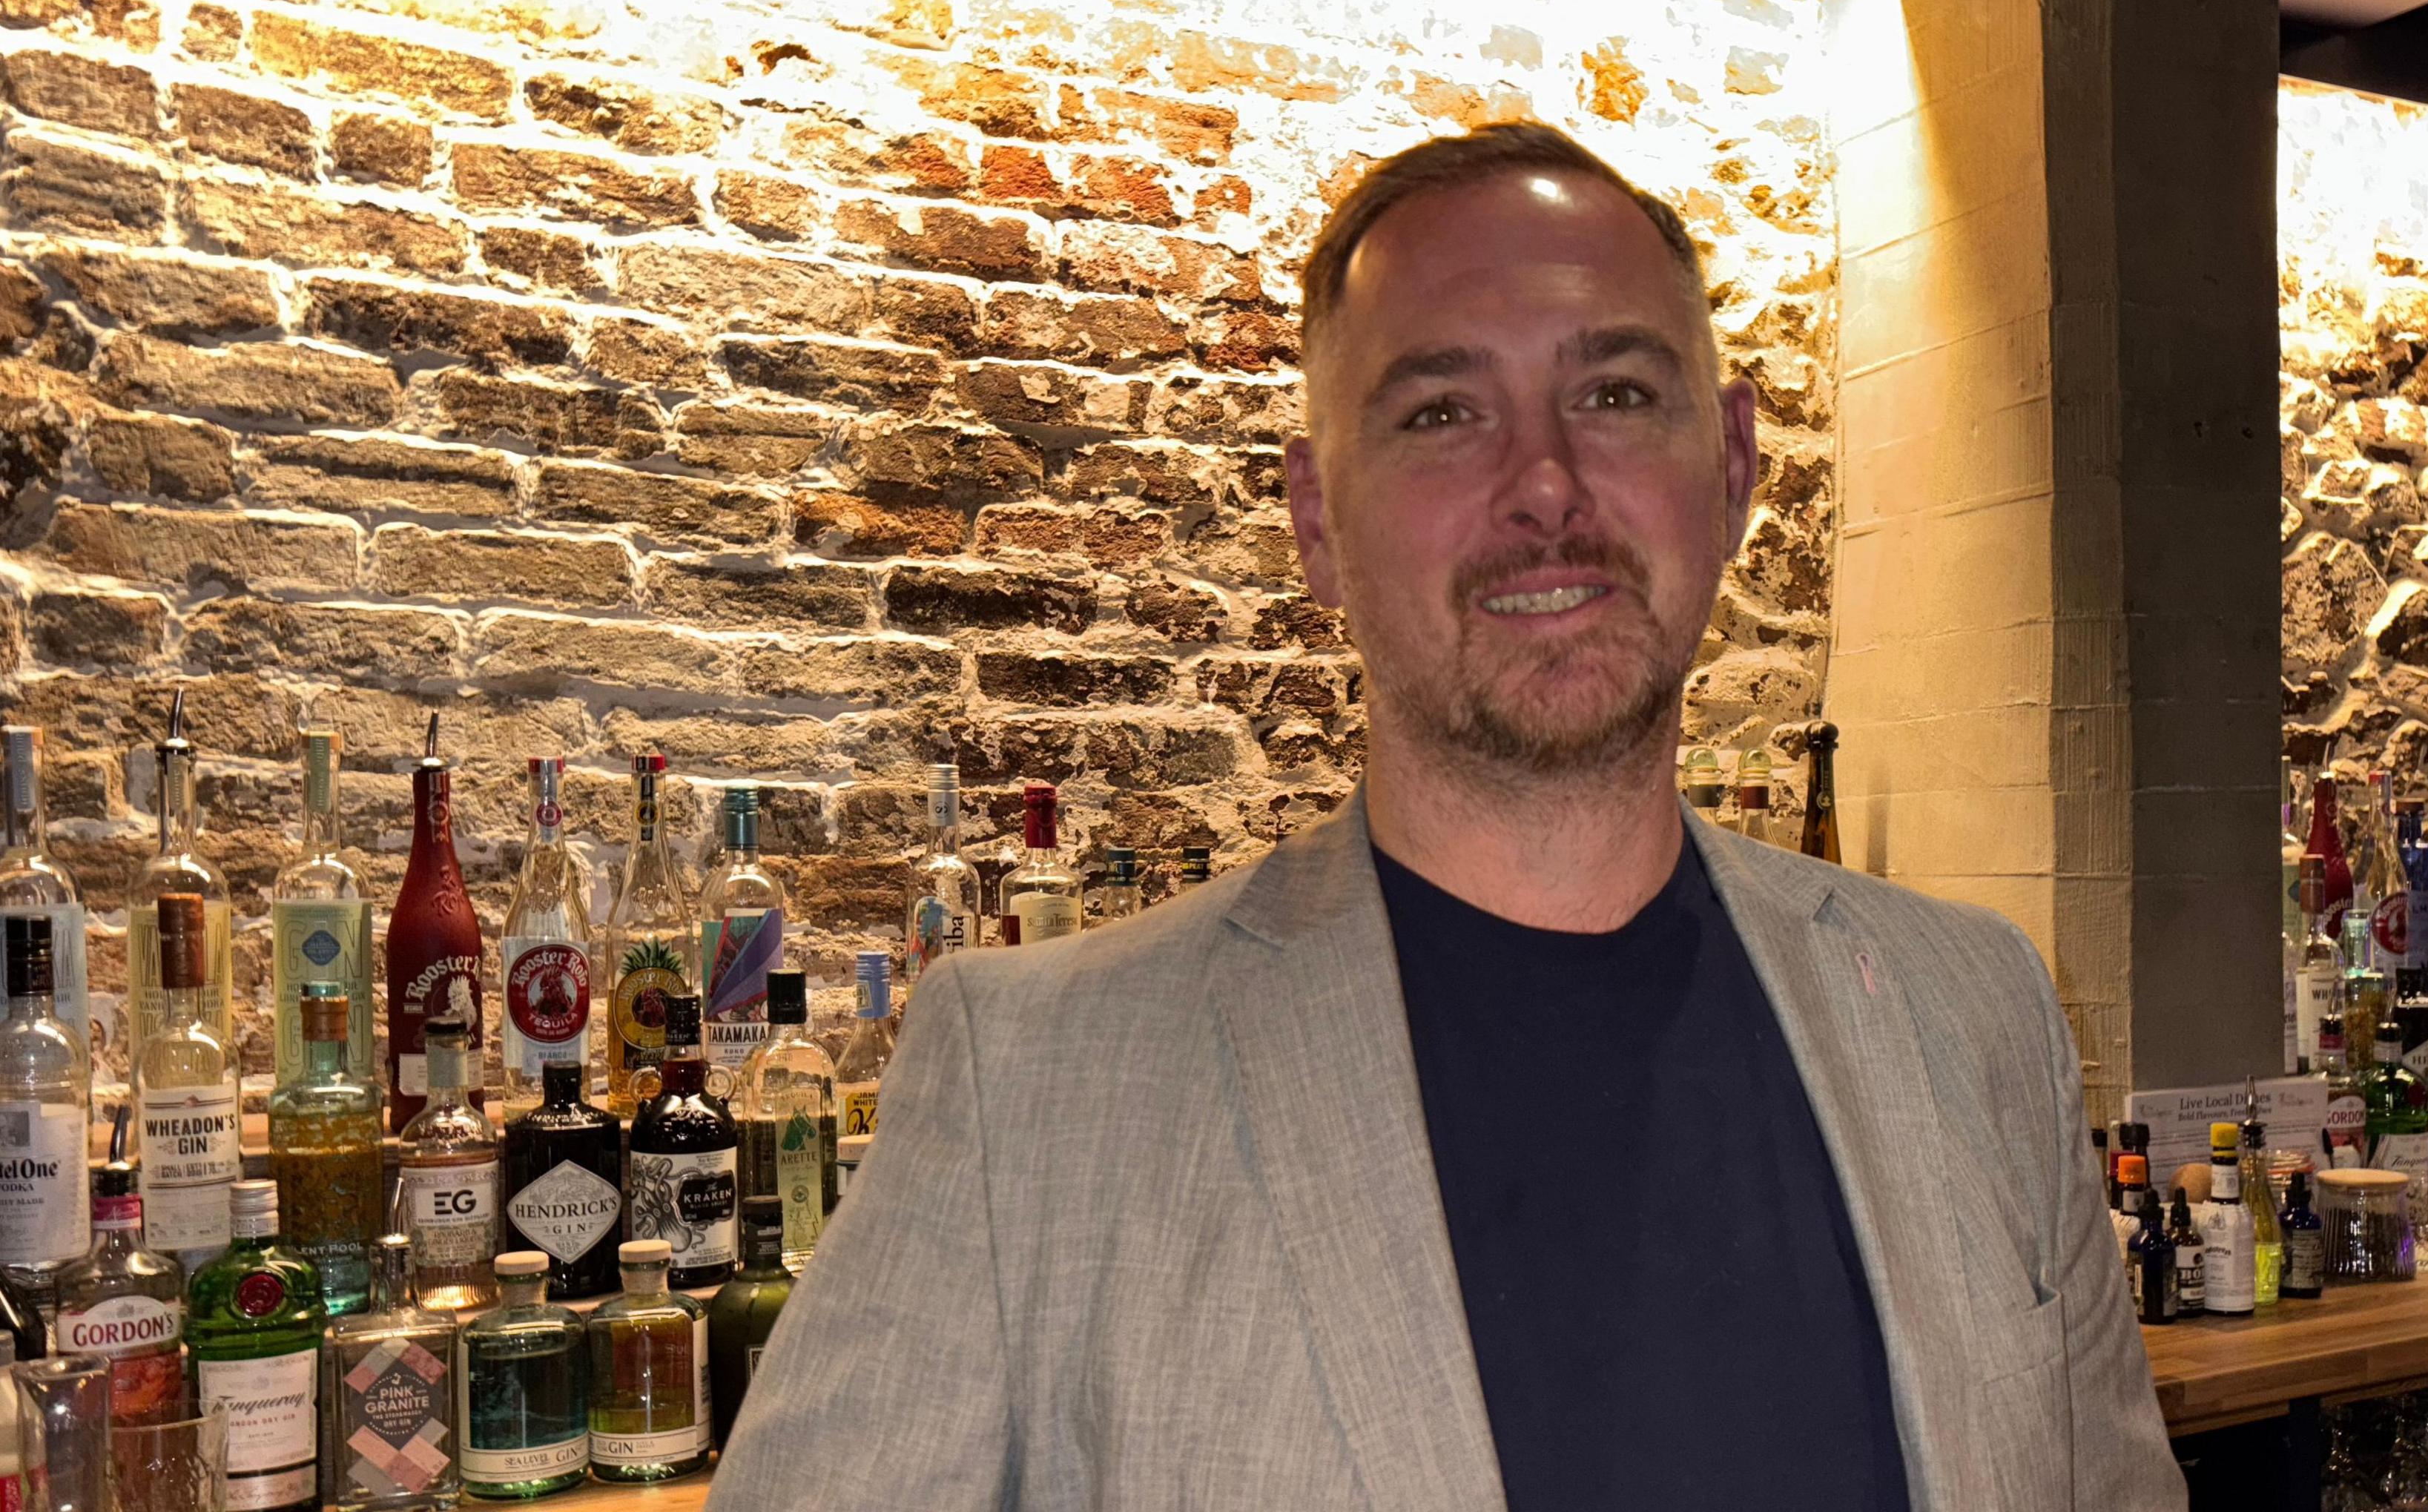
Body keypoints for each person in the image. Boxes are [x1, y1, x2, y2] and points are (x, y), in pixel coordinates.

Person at [710, 121, 2184, 1511]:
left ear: (1730, 468)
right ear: (1317, 523)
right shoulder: (1036, 1089)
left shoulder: (1970, 1013)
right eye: (1439, 414)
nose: (1545, 484)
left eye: (1615, 394)